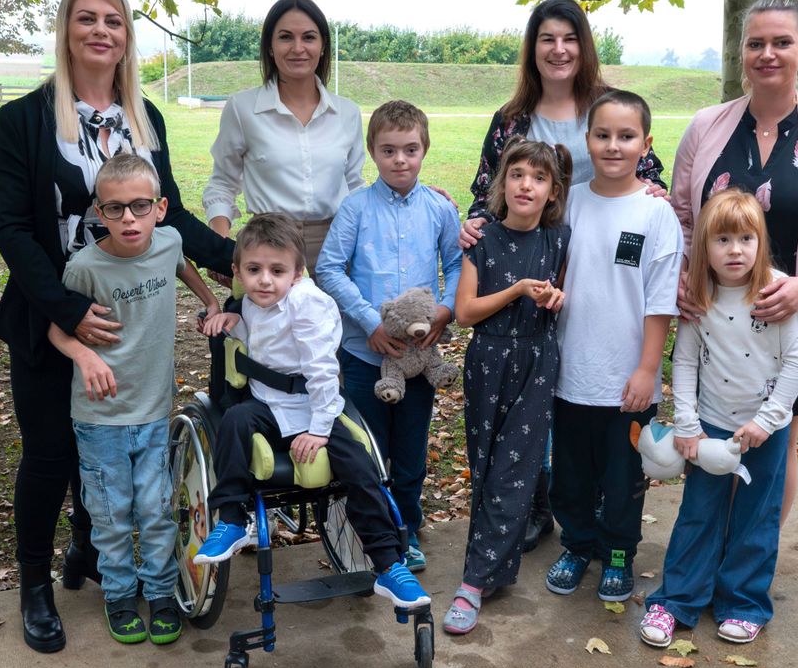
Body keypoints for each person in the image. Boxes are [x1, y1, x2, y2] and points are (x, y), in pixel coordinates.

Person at [0, 0, 233, 653]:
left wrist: (234, 257)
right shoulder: (24, 119)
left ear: (126, 38)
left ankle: (88, 550)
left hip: (133, 314)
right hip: (51, 313)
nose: (101, 31)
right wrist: (68, 309)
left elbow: (169, 213)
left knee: (108, 447)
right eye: (87, 19)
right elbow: (12, 229)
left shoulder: (142, 116)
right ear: (66, 31)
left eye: (114, 21)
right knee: (51, 453)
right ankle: (35, 585)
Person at [459, 0, 667, 551]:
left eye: (569, 38)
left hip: (596, 273)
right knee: (530, 401)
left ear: (584, 45)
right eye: (547, 39)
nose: (558, 49)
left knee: (581, 401)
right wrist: (474, 225)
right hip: (530, 273)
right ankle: (536, 506)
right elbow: (488, 191)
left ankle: (600, 516)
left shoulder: (607, 107)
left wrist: (656, 195)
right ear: (533, 48)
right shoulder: (512, 119)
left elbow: (650, 178)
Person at [670, 0, 798, 524]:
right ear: (742, 52)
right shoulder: (706, 126)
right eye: (756, 43)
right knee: (713, 440)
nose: (768, 54)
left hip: (794, 322)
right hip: (714, 323)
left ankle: (752, 560)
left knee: (776, 446)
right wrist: (683, 274)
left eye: (782, 42)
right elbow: (682, 217)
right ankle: (708, 553)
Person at [191, 214, 430, 611]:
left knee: (360, 467)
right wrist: (235, 322)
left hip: (318, 405)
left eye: (277, 271)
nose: (264, 280)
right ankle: (232, 519)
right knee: (234, 421)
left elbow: (321, 373)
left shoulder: (308, 305)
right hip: (268, 404)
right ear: (236, 271)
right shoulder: (251, 301)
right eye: (254, 270)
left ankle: (389, 563)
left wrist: (319, 430)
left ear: (297, 273)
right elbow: (263, 340)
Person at [47, 155, 224, 645]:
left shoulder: (168, 241)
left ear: (160, 208)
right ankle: (120, 595)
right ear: (99, 212)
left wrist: (209, 300)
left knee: (157, 509)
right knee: (111, 514)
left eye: (140, 206)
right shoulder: (85, 267)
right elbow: (57, 330)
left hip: (153, 411)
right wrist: (85, 356)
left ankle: (161, 592)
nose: (129, 218)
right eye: (115, 208)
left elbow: (182, 265)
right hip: (99, 418)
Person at [639, 190, 798, 648]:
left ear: (760, 243)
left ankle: (743, 603)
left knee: (757, 518)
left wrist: (768, 421)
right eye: (722, 240)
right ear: (704, 247)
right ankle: (677, 600)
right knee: (698, 513)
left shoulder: (776, 291)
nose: (735, 250)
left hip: (765, 431)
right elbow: (685, 361)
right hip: (711, 428)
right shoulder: (700, 296)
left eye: (745, 239)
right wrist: (687, 423)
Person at [316, 100, 463, 573]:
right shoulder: (356, 208)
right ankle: (372, 532)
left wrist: (445, 310)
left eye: (410, 149)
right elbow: (329, 268)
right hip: (365, 354)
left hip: (418, 357)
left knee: (410, 451)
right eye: (389, 150)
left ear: (425, 149)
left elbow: (457, 264)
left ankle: (408, 528)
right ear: (372, 151)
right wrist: (369, 323)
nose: (400, 159)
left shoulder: (440, 209)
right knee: (366, 449)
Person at [546, 90, 681, 603]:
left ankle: (619, 553)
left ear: (646, 144)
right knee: (571, 477)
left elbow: (660, 301)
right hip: (570, 374)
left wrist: (647, 370)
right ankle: (577, 545)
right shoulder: (570, 203)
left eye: (626, 136)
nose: (613, 146)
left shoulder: (656, 213)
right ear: (587, 140)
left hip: (627, 379)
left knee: (623, 480)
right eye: (602, 135)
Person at [443, 138, 571, 636]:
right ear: (503, 183)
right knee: (487, 464)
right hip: (489, 361)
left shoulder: (558, 240)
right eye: (517, 174)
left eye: (538, 178)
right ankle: (494, 561)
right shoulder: (482, 240)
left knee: (514, 467)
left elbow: (566, 293)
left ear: (552, 192)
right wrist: (517, 290)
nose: (526, 185)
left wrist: (556, 297)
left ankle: (473, 582)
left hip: (537, 360)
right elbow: (465, 311)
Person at [202, 0, 364, 275]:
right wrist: (219, 245)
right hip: (267, 249)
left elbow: (355, 186)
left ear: (323, 46)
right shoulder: (242, 109)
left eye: (309, 37)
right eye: (286, 37)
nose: (298, 48)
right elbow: (222, 183)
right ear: (270, 46)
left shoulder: (347, 113)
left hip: (336, 251)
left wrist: (411, 193)